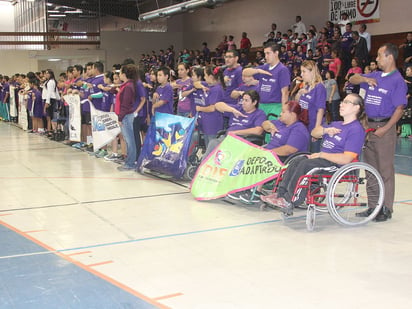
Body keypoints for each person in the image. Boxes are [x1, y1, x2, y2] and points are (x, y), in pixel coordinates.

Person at [261, 93, 367, 215]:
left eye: (347, 102)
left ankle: (290, 200)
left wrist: (321, 155)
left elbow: (346, 158)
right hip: (323, 159)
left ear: (356, 108)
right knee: (296, 160)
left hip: (337, 165)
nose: (341, 104)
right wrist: (325, 130)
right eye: (342, 101)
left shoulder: (356, 130)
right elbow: (314, 133)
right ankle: (280, 195)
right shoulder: (335, 124)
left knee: (306, 165)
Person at [349, 43, 408, 221]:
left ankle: (386, 208)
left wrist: (385, 129)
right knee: (370, 170)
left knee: (385, 170)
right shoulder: (374, 75)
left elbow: (399, 109)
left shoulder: (397, 80)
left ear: (390, 57)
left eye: (380, 56)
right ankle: (373, 206)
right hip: (369, 128)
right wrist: (365, 80)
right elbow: (352, 79)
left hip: (384, 128)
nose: (376, 59)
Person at [229, 100, 310, 203]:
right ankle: (241, 186)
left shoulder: (299, 129)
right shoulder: (280, 123)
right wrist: (270, 126)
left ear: (292, 114)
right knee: (246, 154)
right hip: (271, 152)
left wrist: (268, 152)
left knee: (261, 159)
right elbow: (264, 123)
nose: (280, 114)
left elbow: (289, 149)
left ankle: (255, 191)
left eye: (284, 112)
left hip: (286, 158)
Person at [202, 90, 266, 158]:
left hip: (243, 140)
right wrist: (232, 110)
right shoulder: (238, 108)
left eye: (246, 100)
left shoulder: (259, 114)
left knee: (215, 145)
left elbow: (258, 131)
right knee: (213, 144)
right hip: (228, 138)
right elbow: (217, 105)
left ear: (254, 102)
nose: (243, 103)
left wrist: (236, 132)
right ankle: (203, 167)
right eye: (243, 100)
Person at [243, 42, 290, 120]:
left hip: (275, 106)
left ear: (276, 53)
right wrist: (258, 71)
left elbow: (284, 93)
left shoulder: (282, 70)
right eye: (265, 54)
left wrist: (283, 110)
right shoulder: (264, 68)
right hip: (261, 105)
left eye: (268, 53)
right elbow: (245, 72)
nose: (266, 56)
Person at [295, 60, 326, 152]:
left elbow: (320, 110)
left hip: (313, 125)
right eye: (301, 71)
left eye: (304, 71)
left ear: (312, 72)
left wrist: (316, 130)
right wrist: (299, 93)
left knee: (313, 153)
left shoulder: (319, 87)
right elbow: (297, 102)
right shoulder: (306, 86)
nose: (302, 74)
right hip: (303, 125)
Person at [116, 64, 139, 171]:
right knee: (128, 139)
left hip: (126, 116)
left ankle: (130, 163)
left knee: (130, 140)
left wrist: (120, 118)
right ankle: (129, 161)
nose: (119, 75)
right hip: (125, 116)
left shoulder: (129, 87)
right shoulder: (126, 85)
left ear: (124, 74)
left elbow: (125, 105)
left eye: (120, 73)